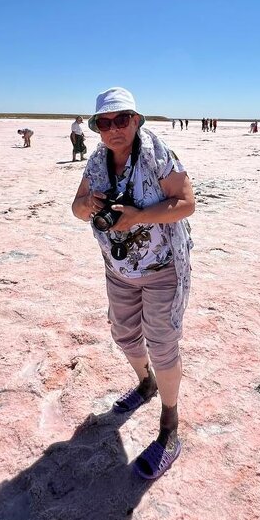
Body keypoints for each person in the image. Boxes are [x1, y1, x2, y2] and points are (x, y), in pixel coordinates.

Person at [72, 88, 195, 480]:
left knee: (162, 344)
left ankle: (169, 425)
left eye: (121, 119)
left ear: (136, 120)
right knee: (125, 336)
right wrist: (90, 205)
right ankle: (145, 385)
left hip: (162, 268)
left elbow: (187, 202)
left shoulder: (158, 154)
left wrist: (139, 217)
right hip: (119, 269)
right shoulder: (97, 160)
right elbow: (76, 208)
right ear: (97, 129)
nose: (113, 129)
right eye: (104, 123)